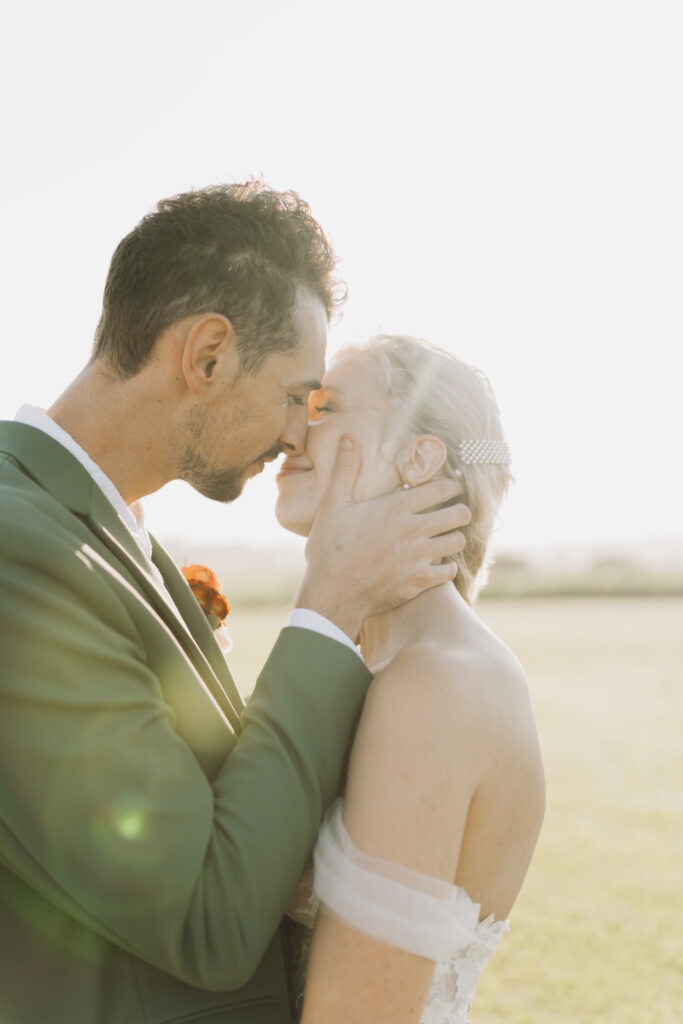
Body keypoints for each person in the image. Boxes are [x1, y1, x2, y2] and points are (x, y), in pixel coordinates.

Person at [0, 185, 471, 1023]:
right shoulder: (20, 552)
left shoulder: (98, 529)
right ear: (207, 355)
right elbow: (205, 919)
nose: (298, 434)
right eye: (297, 396)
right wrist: (329, 600)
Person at [275, 334, 546, 1024]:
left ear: (417, 459)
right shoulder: (378, 667)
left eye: (325, 406)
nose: (290, 429)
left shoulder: (433, 686)